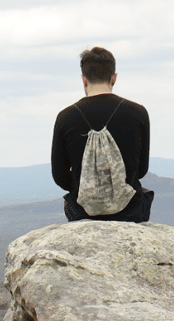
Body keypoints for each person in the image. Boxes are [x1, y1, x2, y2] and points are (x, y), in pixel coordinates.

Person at [51, 46, 153, 222]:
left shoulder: (65, 117)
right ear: (113, 78)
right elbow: (141, 170)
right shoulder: (138, 113)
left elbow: (60, 177)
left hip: (82, 211)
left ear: (84, 80)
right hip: (130, 211)